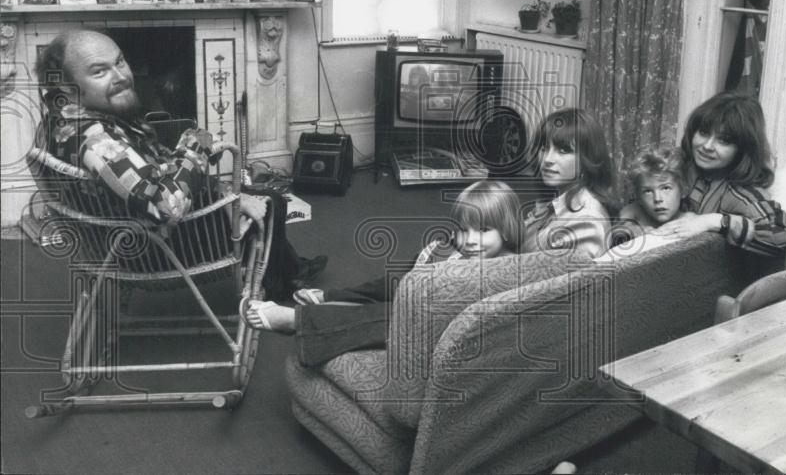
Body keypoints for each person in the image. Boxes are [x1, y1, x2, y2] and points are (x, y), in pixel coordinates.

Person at [33, 29, 326, 299]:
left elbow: (151, 173)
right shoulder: (97, 140)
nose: (120, 75)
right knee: (271, 200)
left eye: (120, 62)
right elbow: (165, 206)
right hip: (150, 249)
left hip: (119, 232)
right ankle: (279, 287)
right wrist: (197, 146)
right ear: (68, 87)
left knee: (247, 194)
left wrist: (222, 193)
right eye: (99, 72)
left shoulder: (62, 120)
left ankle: (291, 269)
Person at [242, 179, 524, 366]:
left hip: (430, 323)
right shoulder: (468, 251)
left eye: (484, 230)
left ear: (508, 229)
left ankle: (295, 320)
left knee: (390, 313)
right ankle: (331, 297)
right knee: (388, 284)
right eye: (464, 230)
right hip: (421, 294)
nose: (471, 240)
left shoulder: (506, 269)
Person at [653, 92, 786, 257]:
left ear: (743, 150)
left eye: (724, 140)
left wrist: (715, 221)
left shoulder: (740, 192)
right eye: (703, 132)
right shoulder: (681, 165)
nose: (708, 146)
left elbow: (781, 238)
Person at [520, 107, 617, 258]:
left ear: (588, 159)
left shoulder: (587, 221)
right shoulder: (555, 202)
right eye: (544, 148)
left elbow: (567, 281)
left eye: (563, 150)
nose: (547, 160)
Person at [618, 146, 693, 236]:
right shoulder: (633, 212)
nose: (657, 199)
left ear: (683, 190)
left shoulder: (690, 220)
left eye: (666, 188)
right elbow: (620, 227)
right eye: (648, 191)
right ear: (638, 197)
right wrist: (634, 230)